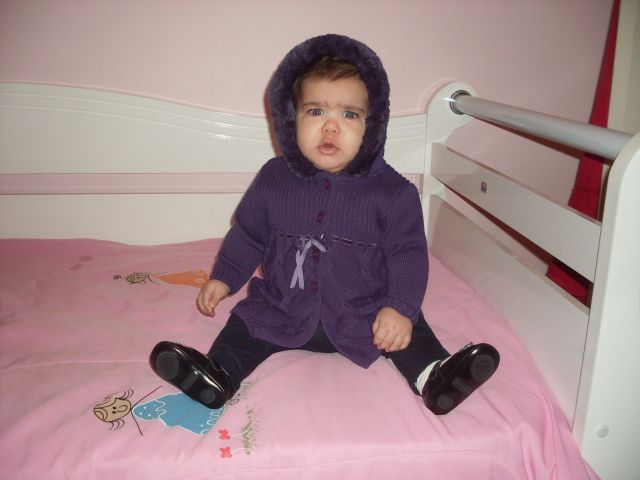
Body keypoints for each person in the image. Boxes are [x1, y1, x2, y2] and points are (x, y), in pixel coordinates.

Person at [150, 34, 499, 415]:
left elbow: (408, 255)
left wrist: (400, 307)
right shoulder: (273, 179)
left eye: (349, 114)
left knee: (408, 328)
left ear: (372, 124)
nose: (330, 128)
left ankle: (434, 376)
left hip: (366, 313)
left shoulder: (393, 193)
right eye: (316, 111)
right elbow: (248, 235)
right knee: (246, 322)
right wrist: (224, 278)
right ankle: (218, 374)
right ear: (290, 119)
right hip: (283, 307)